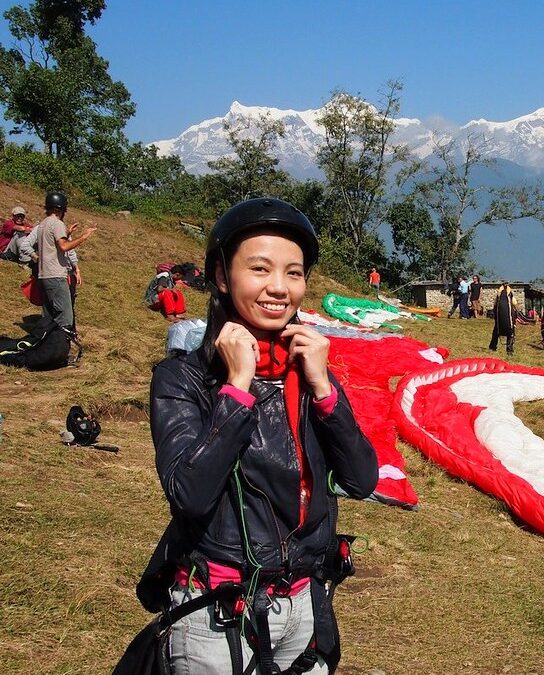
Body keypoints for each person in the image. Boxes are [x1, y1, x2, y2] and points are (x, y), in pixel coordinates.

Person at [140, 197, 379, 674]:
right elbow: (189, 493)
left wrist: (325, 391)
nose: (278, 288)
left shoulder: (310, 376)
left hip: (303, 602)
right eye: (260, 269)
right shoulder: (183, 381)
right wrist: (237, 389)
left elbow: (361, 479)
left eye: (294, 273)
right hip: (216, 608)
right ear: (223, 276)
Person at [34, 192, 95, 331]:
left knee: (49, 316)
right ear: (61, 209)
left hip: (44, 275)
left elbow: (51, 243)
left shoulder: (43, 224)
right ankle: (60, 345)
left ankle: (45, 346)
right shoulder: (57, 223)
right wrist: (83, 237)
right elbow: (63, 246)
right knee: (65, 317)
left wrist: (67, 233)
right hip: (56, 276)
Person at [489, 282, 516, 353]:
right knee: (511, 333)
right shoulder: (510, 293)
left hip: (499, 321)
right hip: (508, 320)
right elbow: (515, 303)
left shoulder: (499, 294)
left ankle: (492, 347)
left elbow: (495, 305)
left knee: (496, 332)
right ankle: (509, 350)